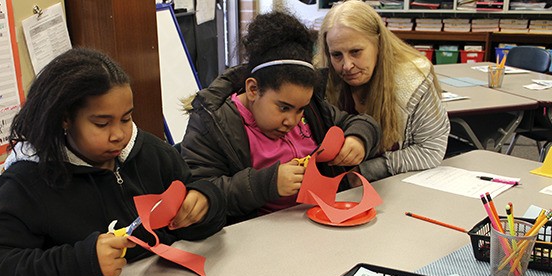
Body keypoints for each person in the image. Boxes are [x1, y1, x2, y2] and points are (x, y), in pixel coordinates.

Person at [0, 48, 226, 276]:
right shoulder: (28, 180)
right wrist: (80, 263)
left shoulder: (150, 152)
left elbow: (196, 193)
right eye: (101, 124)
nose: (119, 135)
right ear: (65, 119)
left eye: (126, 118)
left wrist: (205, 200)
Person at [181, 11, 381, 224]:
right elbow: (203, 191)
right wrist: (267, 184)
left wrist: (358, 138)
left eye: (299, 110)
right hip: (259, 233)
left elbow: (359, 122)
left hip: (321, 220)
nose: (292, 121)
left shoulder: (312, 108)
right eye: (283, 108)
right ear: (253, 89)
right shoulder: (213, 124)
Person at [317, 0, 450, 182]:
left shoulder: (414, 81)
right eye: (336, 55)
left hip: (397, 185)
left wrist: (366, 170)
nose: (346, 66)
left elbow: (431, 150)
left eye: (356, 52)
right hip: (339, 190)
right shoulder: (320, 82)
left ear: (379, 44)